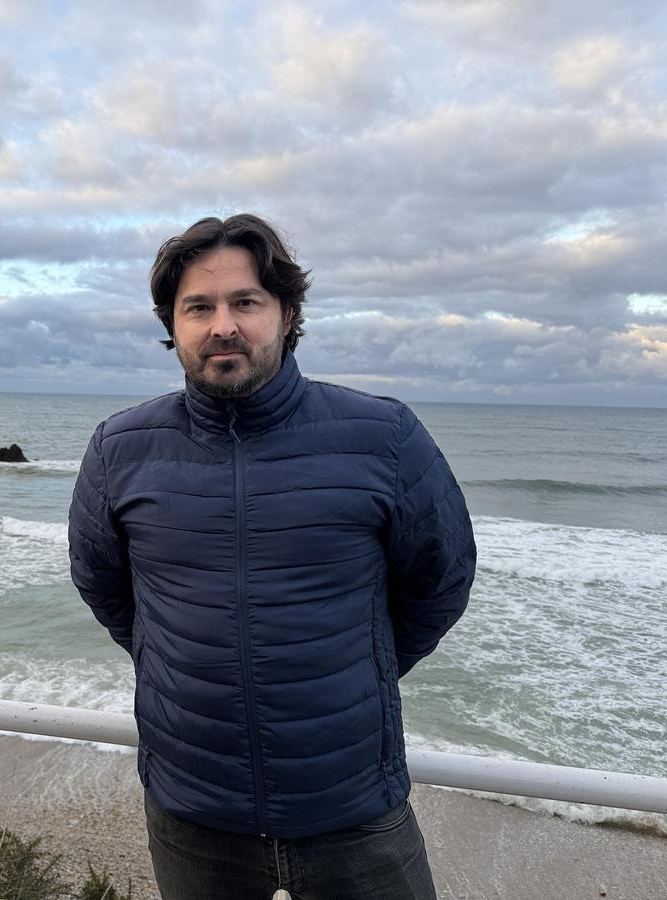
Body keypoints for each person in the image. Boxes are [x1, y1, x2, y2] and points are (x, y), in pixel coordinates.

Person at [68, 214, 477, 899]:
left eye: (245, 302)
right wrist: (179, 661)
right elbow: (103, 582)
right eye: (198, 307)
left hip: (353, 807)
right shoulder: (121, 448)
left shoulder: (385, 436)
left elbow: (440, 579)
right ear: (173, 324)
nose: (222, 325)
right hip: (193, 812)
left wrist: (363, 664)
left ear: (287, 315)